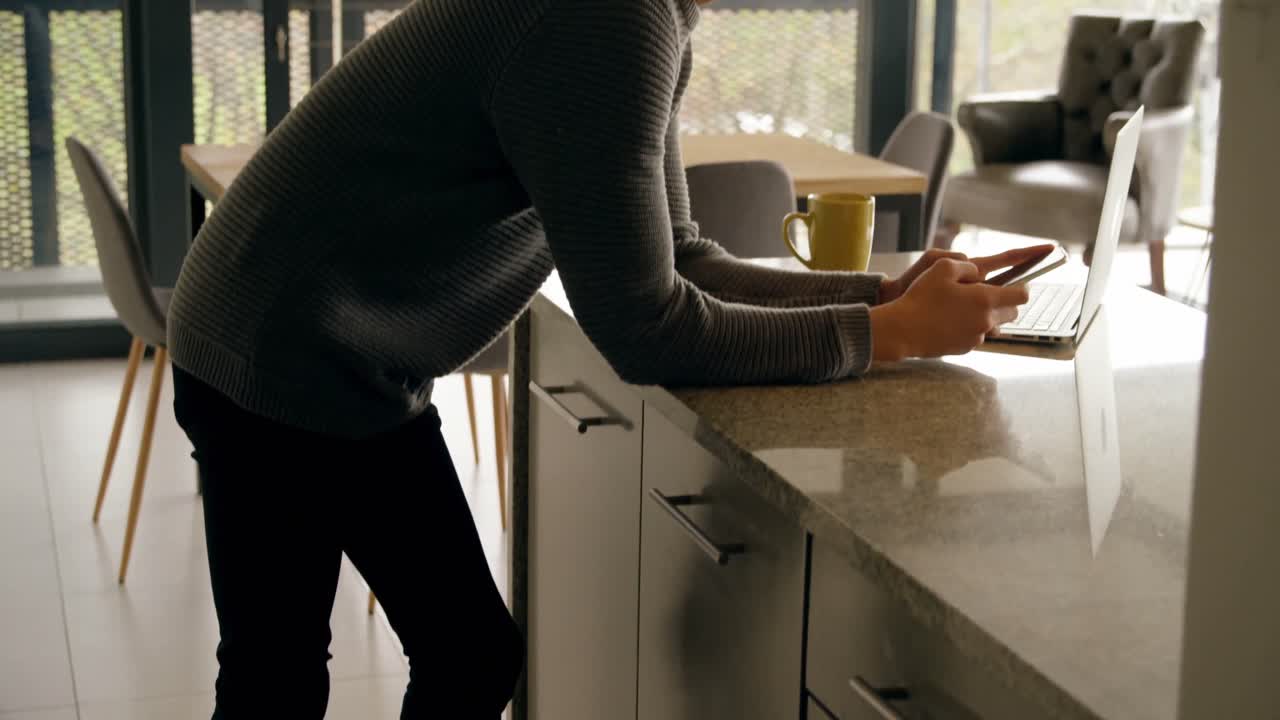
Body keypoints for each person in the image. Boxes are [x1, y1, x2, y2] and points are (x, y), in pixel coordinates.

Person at [167, 0, 1042, 717]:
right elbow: (645, 326)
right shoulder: (608, 20)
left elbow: (684, 257)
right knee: (437, 659)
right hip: (293, 350)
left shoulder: (645, 16)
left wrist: (883, 300)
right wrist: (891, 339)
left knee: (298, 670)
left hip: (274, 327)